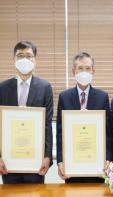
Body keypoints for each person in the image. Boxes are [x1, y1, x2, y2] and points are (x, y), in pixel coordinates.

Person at [0, 41, 53, 184]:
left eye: (29, 56)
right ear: (14, 60)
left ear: (35, 60)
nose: (24, 60)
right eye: (20, 56)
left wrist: (48, 156)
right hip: (8, 162)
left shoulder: (45, 87)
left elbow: (47, 124)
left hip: (36, 161)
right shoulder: (2, 88)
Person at [56, 52, 111, 183]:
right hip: (72, 165)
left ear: (93, 71)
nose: (84, 72)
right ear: (73, 71)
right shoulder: (64, 97)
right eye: (80, 68)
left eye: (88, 68)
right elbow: (60, 132)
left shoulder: (102, 97)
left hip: (96, 165)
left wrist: (107, 158)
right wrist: (60, 161)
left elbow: (107, 132)